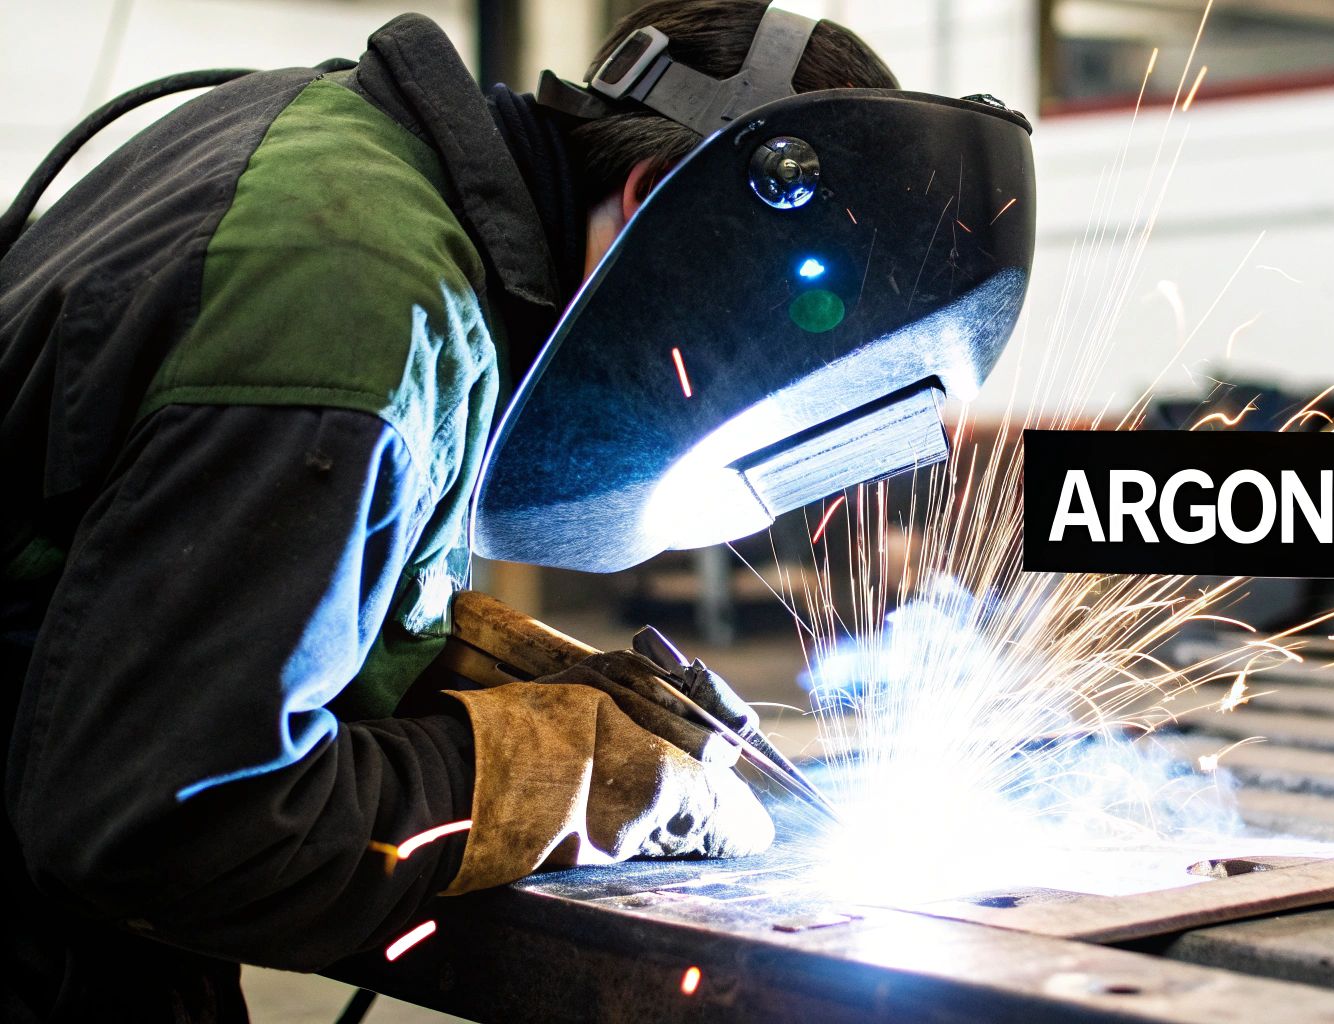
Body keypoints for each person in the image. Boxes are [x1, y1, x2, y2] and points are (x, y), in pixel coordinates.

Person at [0, 3, 897, 1019]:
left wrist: (432, 670)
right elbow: (175, 830)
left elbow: (116, 569)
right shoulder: (360, 300)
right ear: (652, 202)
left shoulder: (353, 162)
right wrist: (548, 771)